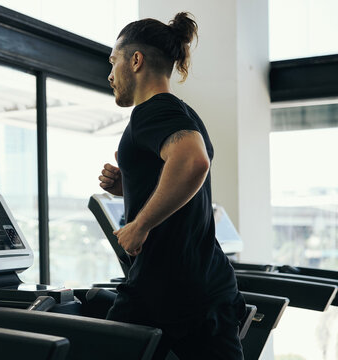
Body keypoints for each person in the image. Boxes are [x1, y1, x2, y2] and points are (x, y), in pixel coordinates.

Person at [98, 13, 246, 360]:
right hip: (207, 284)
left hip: (165, 291)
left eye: (113, 61)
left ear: (135, 60)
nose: (109, 74)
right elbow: (180, 172)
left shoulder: (152, 110)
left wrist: (140, 224)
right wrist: (131, 187)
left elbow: (193, 161)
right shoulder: (184, 112)